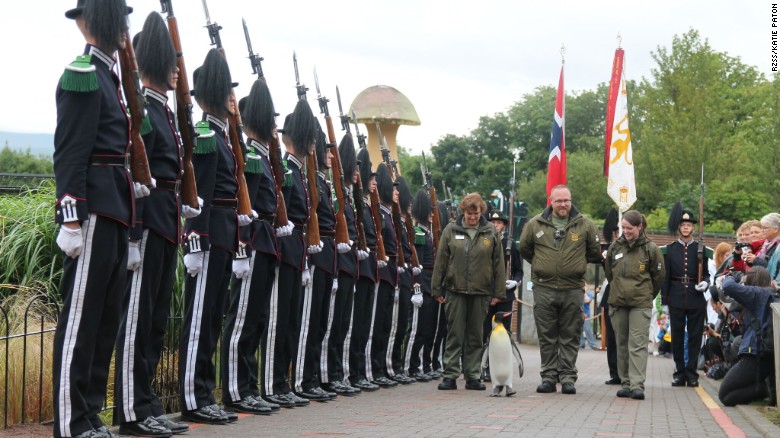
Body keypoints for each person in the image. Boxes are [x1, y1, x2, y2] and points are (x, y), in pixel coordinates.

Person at [53, 1, 135, 436]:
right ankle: (71, 422)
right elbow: (70, 152)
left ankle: (89, 414)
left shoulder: (111, 78)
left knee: (105, 323)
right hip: (94, 212)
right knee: (81, 324)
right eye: (120, 18)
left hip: (116, 208)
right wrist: (70, 217)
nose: (125, 28)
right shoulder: (84, 74)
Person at [113, 13, 193, 437]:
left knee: (157, 319)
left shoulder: (164, 109)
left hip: (167, 220)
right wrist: (131, 234)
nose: (177, 69)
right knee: (138, 320)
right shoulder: (144, 108)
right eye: (171, 61)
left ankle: (146, 403)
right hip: (147, 222)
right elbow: (134, 172)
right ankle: (131, 410)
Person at [179, 49, 247, 425]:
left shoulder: (223, 136)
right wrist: (194, 241)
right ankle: (193, 396)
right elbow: (197, 195)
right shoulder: (206, 134)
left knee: (212, 319)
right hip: (207, 236)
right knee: (199, 320)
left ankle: (204, 391)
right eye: (228, 92)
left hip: (224, 234)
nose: (232, 99)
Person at [219, 79, 289, 415]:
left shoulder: (264, 155)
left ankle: (247, 385)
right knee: (242, 319)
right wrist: (243, 251)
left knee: (257, 318)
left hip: (267, 241)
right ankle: (236, 389)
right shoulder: (250, 153)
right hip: (253, 242)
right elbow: (242, 208)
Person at [518, 184, 602, 395]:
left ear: (570, 200)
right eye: (558, 200)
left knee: (570, 335)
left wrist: (573, 267)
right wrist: (543, 266)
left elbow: (593, 252)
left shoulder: (585, 225)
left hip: (572, 289)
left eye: (566, 200)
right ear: (551, 201)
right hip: (544, 288)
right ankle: (548, 377)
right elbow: (525, 250)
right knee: (547, 336)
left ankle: (567, 378)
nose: (563, 204)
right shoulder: (534, 224)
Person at [263, 101, 318, 408]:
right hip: (284, 246)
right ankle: (272, 383)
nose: (313, 144)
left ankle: (282, 382)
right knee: (279, 319)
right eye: (310, 138)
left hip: (297, 248)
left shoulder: (299, 171)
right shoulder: (285, 168)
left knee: (293, 319)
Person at [432, 193, 506, 391]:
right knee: (454, 333)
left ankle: (473, 375)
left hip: (481, 291)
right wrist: (437, 288)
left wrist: (498, 292)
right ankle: (450, 375)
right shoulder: (451, 230)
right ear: (462, 211)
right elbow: (441, 261)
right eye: (469, 213)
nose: (472, 217)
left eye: (476, 213)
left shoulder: (490, 231)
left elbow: (498, 264)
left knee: (475, 335)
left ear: (481, 212)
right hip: (455, 290)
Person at [295, 127, 339, 401]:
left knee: (321, 322)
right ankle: (302, 380)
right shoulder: (309, 177)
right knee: (308, 322)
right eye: (327, 151)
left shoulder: (323, 182)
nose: (331, 157)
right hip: (314, 250)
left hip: (327, 253)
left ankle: (313, 378)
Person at [320, 133, 364, 396]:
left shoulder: (345, 194)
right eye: (356, 166)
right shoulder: (335, 191)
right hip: (338, 264)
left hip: (348, 264)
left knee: (343, 324)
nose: (358, 173)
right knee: (332, 324)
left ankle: (337, 373)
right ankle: (329, 375)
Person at [604, 210, 665, 401]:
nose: (626, 231)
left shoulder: (651, 249)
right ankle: (625, 383)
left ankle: (637, 385)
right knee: (621, 344)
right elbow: (609, 274)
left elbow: (658, 277)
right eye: (623, 228)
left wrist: (646, 295)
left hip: (640, 304)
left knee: (637, 344)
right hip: (618, 303)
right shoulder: (615, 247)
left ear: (640, 227)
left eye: (629, 228)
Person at [661, 204, 710, 388]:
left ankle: (691, 374)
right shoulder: (671, 249)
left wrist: (705, 283)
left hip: (695, 297)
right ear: (679, 227)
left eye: (689, 225)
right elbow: (665, 278)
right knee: (678, 336)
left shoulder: (700, 249)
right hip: (676, 296)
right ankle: (679, 372)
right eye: (683, 225)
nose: (686, 227)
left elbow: (706, 273)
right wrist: (665, 302)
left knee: (695, 337)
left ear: (693, 228)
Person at [719, 267, 777, 407]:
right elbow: (726, 298)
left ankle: (761, 390)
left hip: (755, 355)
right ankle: (761, 388)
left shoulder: (757, 293)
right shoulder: (768, 294)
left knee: (724, 395)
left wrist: (733, 277)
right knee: (727, 395)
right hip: (764, 354)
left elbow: (727, 286)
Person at [348, 148, 381, 391]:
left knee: (365, 324)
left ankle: (360, 371)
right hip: (356, 266)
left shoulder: (368, 206)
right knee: (353, 323)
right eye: (369, 177)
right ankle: (351, 372)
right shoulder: (351, 198)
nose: (371, 182)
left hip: (368, 267)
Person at [369, 163, 401, 388]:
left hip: (390, 271)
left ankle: (379, 368)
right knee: (375, 322)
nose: (397, 192)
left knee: (385, 324)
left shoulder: (389, 214)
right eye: (393, 188)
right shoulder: (378, 212)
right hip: (381, 268)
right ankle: (371, 369)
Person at [481, 210, 522, 381]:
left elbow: (519, 270)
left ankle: (502, 368)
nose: (496, 225)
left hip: (505, 294)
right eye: (493, 222)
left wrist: (515, 282)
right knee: (485, 333)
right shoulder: (483, 241)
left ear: (504, 226)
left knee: (503, 334)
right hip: (486, 294)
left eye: (499, 223)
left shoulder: (510, 244)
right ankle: (485, 367)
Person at [403, 189, 436, 381]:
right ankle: (409, 366)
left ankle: (420, 365)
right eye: (429, 211)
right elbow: (417, 266)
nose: (432, 214)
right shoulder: (418, 233)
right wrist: (417, 289)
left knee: (425, 330)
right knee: (415, 329)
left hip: (429, 286)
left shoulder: (427, 233)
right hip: (421, 287)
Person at [599, 208, 621, 385]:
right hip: (611, 293)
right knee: (612, 337)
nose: (618, 234)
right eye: (615, 231)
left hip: (628, 295)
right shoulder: (607, 250)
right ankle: (614, 372)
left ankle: (626, 371)